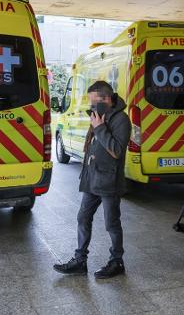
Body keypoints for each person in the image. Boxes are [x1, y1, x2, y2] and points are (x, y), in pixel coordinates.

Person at [53, 81, 131, 279]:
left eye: (94, 101)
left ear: (107, 99)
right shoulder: (99, 115)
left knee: (111, 223)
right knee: (83, 218)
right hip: (92, 178)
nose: (91, 106)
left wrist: (100, 128)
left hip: (109, 181)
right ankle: (80, 261)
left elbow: (117, 151)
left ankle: (117, 262)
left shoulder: (121, 119)